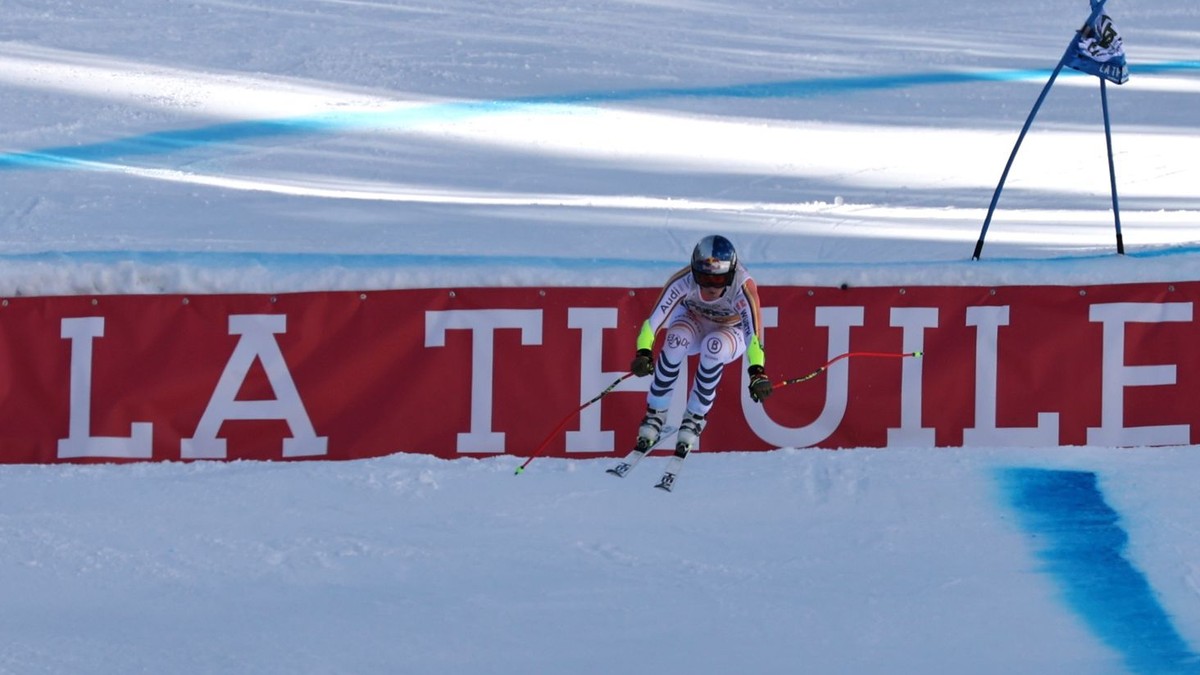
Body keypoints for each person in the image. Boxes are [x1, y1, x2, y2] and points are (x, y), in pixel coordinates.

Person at [607, 234, 772, 490]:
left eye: (717, 279)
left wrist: (757, 372)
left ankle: (694, 417)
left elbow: (754, 337)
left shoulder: (743, 288)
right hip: (693, 319)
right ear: (695, 270)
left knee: (713, 348)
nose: (710, 286)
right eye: (704, 278)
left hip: (731, 331)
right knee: (675, 340)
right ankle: (655, 415)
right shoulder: (684, 280)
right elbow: (654, 322)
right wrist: (643, 352)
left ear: (730, 275)